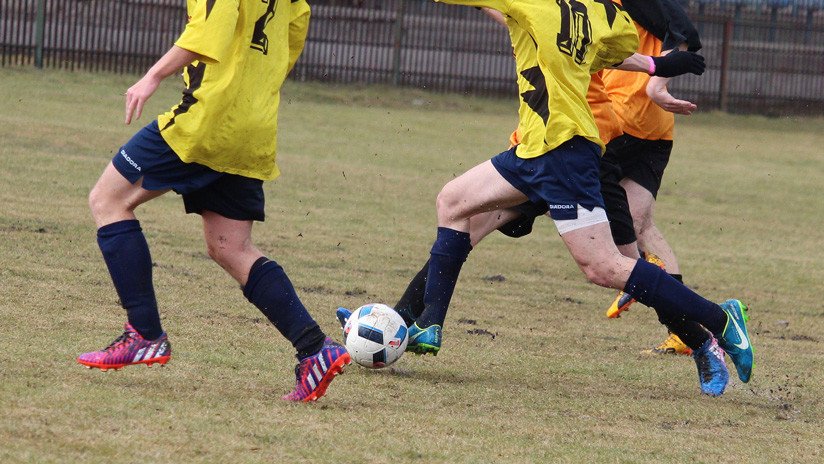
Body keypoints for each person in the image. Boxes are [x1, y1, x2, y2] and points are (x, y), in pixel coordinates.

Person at [341, 1, 732, 395]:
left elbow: (665, 37)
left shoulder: (580, 12)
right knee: (463, 219)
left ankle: (704, 339)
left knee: (620, 266)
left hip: (584, 153)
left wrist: (657, 73)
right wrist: (656, 69)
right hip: (536, 149)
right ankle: (405, 321)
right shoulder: (556, 11)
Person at [77, 0, 350, 402]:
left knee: (108, 200)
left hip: (205, 122)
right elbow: (289, 45)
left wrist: (152, 76)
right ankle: (315, 348)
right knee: (231, 247)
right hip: (252, 126)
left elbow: (211, 35)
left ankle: (144, 332)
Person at [601, 0, 705, 357]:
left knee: (562, 198)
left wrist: (655, 87)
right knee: (640, 225)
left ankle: (639, 275)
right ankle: (686, 330)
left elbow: (685, 35)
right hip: (652, 131)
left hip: (620, 121)